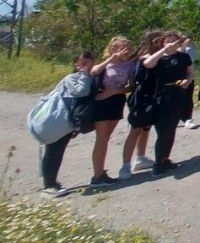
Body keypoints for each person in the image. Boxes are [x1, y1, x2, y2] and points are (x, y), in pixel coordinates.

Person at [40, 52, 95, 197]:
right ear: (75, 65)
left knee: (58, 151)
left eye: (88, 63)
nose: (86, 66)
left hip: (67, 123)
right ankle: (48, 186)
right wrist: (83, 75)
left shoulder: (88, 78)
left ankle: (52, 181)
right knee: (53, 151)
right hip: (57, 120)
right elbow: (81, 92)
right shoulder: (71, 78)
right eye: (82, 63)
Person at [145, 30, 194, 175]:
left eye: (174, 41)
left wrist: (187, 80)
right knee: (163, 130)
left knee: (171, 128)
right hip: (161, 96)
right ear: (163, 42)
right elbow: (147, 63)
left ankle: (164, 159)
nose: (172, 44)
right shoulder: (158, 57)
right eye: (168, 41)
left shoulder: (183, 57)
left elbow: (190, 72)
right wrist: (163, 50)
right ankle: (158, 163)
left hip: (178, 94)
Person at [88, 37, 136, 186]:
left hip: (117, 100)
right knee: (101, 138)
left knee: (106, 137)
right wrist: (110, 60)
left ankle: (101, 172)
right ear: (112, 49)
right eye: (122, 48)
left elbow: (132, 86)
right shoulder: (105, 64)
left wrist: (115, 91)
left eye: (127, 48)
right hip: (101, 102)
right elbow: (93, 72)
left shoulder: (129, 65)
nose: (125, 51)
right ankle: (97, 176)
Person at [118, 30, 162, 180]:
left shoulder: (156, 56)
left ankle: (140, 157)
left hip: (152, 97)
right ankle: (125, 166)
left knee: (146, 128)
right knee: (135, 130)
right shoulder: (144, 57)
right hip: (142, 98)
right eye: (159, 40)